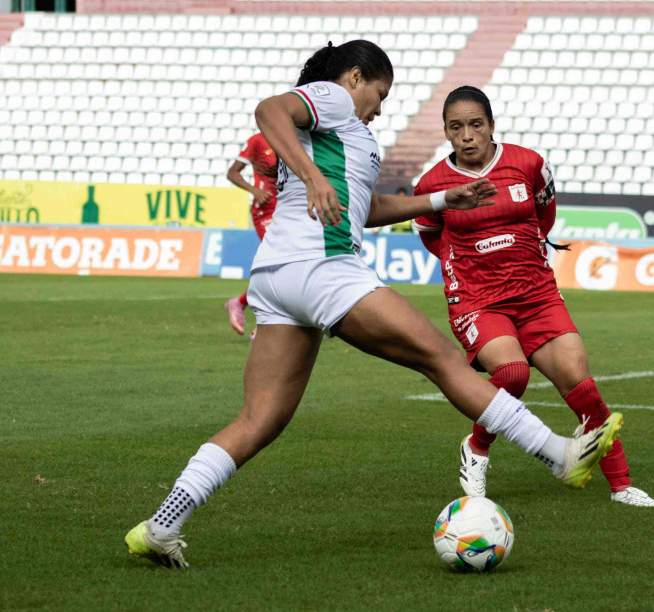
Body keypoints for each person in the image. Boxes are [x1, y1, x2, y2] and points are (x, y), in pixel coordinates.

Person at [124, 41, 623, 569]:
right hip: (322, 267)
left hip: (276, 276)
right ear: (357, 77)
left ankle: (162, 525)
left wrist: (437, 201)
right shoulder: (335, 99)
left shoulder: (345, 137)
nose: (380, 108)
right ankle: (557, 454)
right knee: (444, 358)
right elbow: (269, 109)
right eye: (380, 94)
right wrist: (314, 179)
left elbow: (365, 207)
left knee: (258, 420)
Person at [413, 86, 654, 508]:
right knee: (512, 374)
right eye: (457, 128)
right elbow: (430, 234)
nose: (467, 135)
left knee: (582, 387)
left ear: (491, 125)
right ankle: (477, 449)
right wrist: (470, 266)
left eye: (475, 125)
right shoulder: (433, 183)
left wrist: (522, 252)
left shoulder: (529, 164)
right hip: (477, 298)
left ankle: (621, 486)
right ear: (447, 133)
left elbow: (545, 214)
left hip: (536, 293)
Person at [225, 131, 278, 340]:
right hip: (265, 210)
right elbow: (233, 172)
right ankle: (264, 322)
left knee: (287, 264)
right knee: (277, 261)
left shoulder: (298, 137)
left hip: (290, 208)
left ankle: (240, 303)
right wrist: (254, 190)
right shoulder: (258, 140)